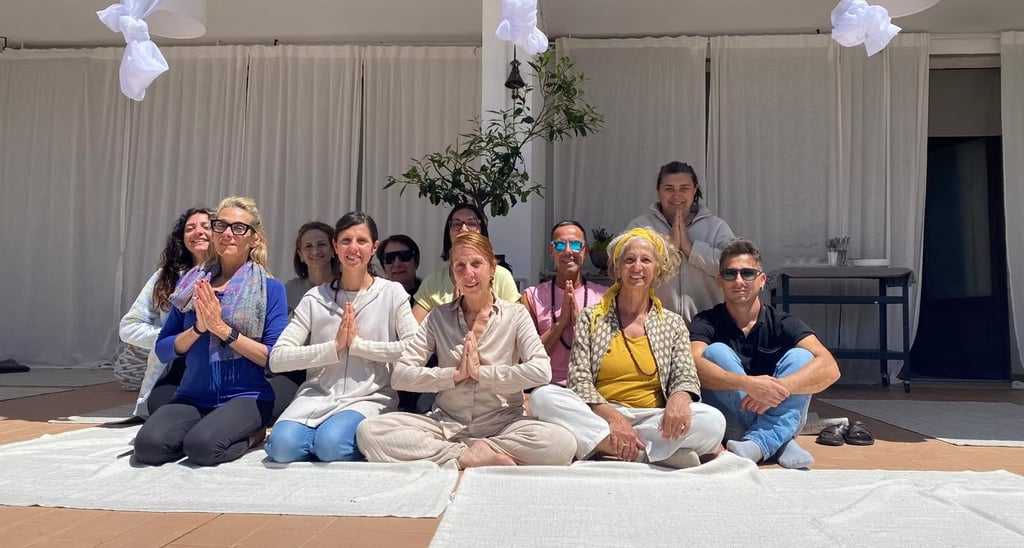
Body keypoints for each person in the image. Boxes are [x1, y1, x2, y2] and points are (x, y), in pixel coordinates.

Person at [356, 232, 577, 468]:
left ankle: (478, 450)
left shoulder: (516, 315)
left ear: (492, 269)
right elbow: (400, 375)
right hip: (446, 425)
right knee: (369, 431)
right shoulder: (438, 317)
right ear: (453, 273)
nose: (468, 273)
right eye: (460, 266)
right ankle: (464, 454)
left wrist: (482, 374)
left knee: (562, 444)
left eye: (476, 264)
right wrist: (453, 375)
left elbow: (541, 371)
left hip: (503, 425)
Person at [529, 227, 726, 468]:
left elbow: (685, 375)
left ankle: (613, 448)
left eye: (646, 260)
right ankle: (648, 453)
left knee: (713, 421)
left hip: (653, 418)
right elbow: (579, 379)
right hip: (600, 414)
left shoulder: (672, 323)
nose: (637, 267)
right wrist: (614, 418)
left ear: (657, 270)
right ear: (617, 269)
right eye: (629, 260)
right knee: (542, 397)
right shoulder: (592, 318)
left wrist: (679, 398)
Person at [133, 196, 288, 466]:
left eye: (238, 228)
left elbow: (273, 357)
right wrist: (198, 328)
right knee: (148, 448)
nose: (228, 233)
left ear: (254, 239)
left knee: (203, 448)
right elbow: (164, 348)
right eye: (221, 225)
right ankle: (202, 428)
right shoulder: (190, 284)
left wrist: (222, 330)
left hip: (246, 396)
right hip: (192, 395)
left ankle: (253, 435)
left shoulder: (271, 290)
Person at [264, 213, 417, 463]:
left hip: (368, 397)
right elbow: (278, 358)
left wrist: (359, 346)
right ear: (335, 246)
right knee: (281, 449)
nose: (353, 248)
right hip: (317, 396)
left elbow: (414, 348)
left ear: (374, 247)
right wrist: (333, 348)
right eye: (346, 241)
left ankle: (324, 442)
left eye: (361, 241)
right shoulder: (315, 297)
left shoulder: (392, 293)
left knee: (331, 446)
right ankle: (316, 441)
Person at [689, 238, 841, 469]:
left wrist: (778, 388)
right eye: (730, 274)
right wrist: (748, 384)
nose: (739, 280)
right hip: (731, 424)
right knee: (715, 352)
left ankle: (758, 442)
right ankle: (779, 441)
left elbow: (830, 368)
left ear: (761, 280)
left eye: (747, 273)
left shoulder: (782, 321)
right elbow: (693, 363)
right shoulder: (706, 321)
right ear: (719, 280)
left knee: (802, 358)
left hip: (775, 413)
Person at [119, 207, 213, 417]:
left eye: (206, 227)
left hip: (220, 367)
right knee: (161, 408)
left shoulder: (236, 275)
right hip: (177, 368)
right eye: (190, 228)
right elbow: (128, 327)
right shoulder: (166, 277)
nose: (198, 232)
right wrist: (174, 339)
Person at [626, 161, 735, 323]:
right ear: (658, 191)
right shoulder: (640, 226)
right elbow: (627, 271)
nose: (676, 195)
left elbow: (732, 270)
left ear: (694, 190)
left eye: (684, 188)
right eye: (669, 189)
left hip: (708, 324)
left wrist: (691, 249)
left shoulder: (716, 227)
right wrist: (669, 248)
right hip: (653, 324)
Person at [522, 221, 608, 386]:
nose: (568, 251)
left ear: (585, 251)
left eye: (575, 245)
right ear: (551, 251)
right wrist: (560, 325)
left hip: (591, 386)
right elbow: (527, 358)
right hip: (546, 386)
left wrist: (578, 323)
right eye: (560, 245)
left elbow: (608, 355)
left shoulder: (604, 297)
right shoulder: (532, 297)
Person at [411, 203, 520, 323]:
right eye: (456, 224)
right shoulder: (432, 283)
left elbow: (516, 323)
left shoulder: (502, 277)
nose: (463, 229)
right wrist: (452, 314)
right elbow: (414, 329)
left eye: (471, 223)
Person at [284, 221, 339, 314]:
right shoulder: (291, 289)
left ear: (333, 250)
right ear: (300, 255)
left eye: (321, 244)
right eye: (308, 246)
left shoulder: (345, 286)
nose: (315, 252)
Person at [376, 234, 423, 300]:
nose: (397, 264)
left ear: (416, 261)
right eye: (389, 257)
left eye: (404, 255)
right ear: (383, 266)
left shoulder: (429, 296)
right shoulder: (375, 298)